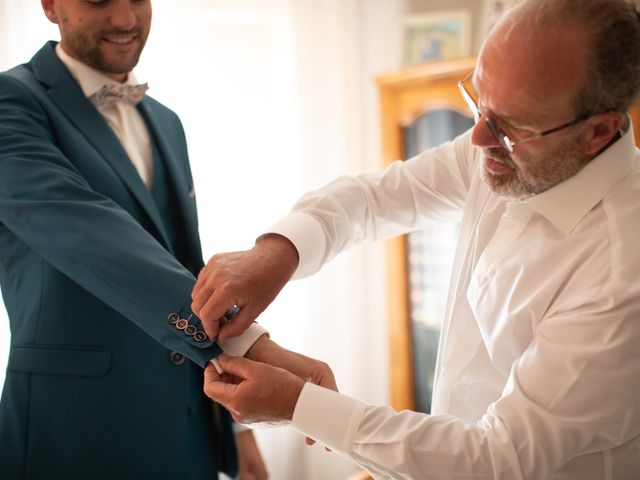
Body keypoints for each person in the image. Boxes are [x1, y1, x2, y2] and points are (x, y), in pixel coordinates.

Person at [192, 0, 640, 478]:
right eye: (478, 103)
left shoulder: (621, 273)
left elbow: (496, 460)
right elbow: (375, 198)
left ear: (597, 132)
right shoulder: (502, 147)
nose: (477, 139)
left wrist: (299, 406)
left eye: (510, 128)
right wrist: (277, 252)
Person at [0, 1, 335, 479]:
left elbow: (181, 262)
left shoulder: (166, 121)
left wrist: (234, 429)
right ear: (51, 5)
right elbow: (91, 237)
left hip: (188, 433)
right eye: (98, 0)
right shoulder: (11, 102)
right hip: (73, 433)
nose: (124, 20)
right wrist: (252, 348)